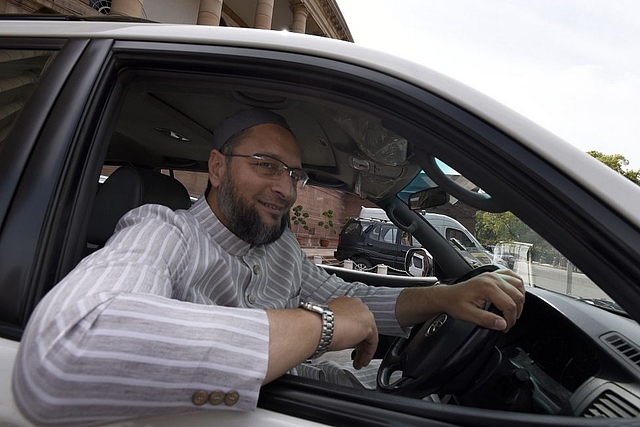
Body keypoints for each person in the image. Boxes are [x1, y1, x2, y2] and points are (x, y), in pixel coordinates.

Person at [12, 109, 525, 426]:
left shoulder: (280, 249)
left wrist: (445, 296)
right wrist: (321, 325)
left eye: (294, 174)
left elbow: (355, 301)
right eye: (265, 165)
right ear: (216, 168)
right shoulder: (162, 231)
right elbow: (64, 353)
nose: (286, 188)